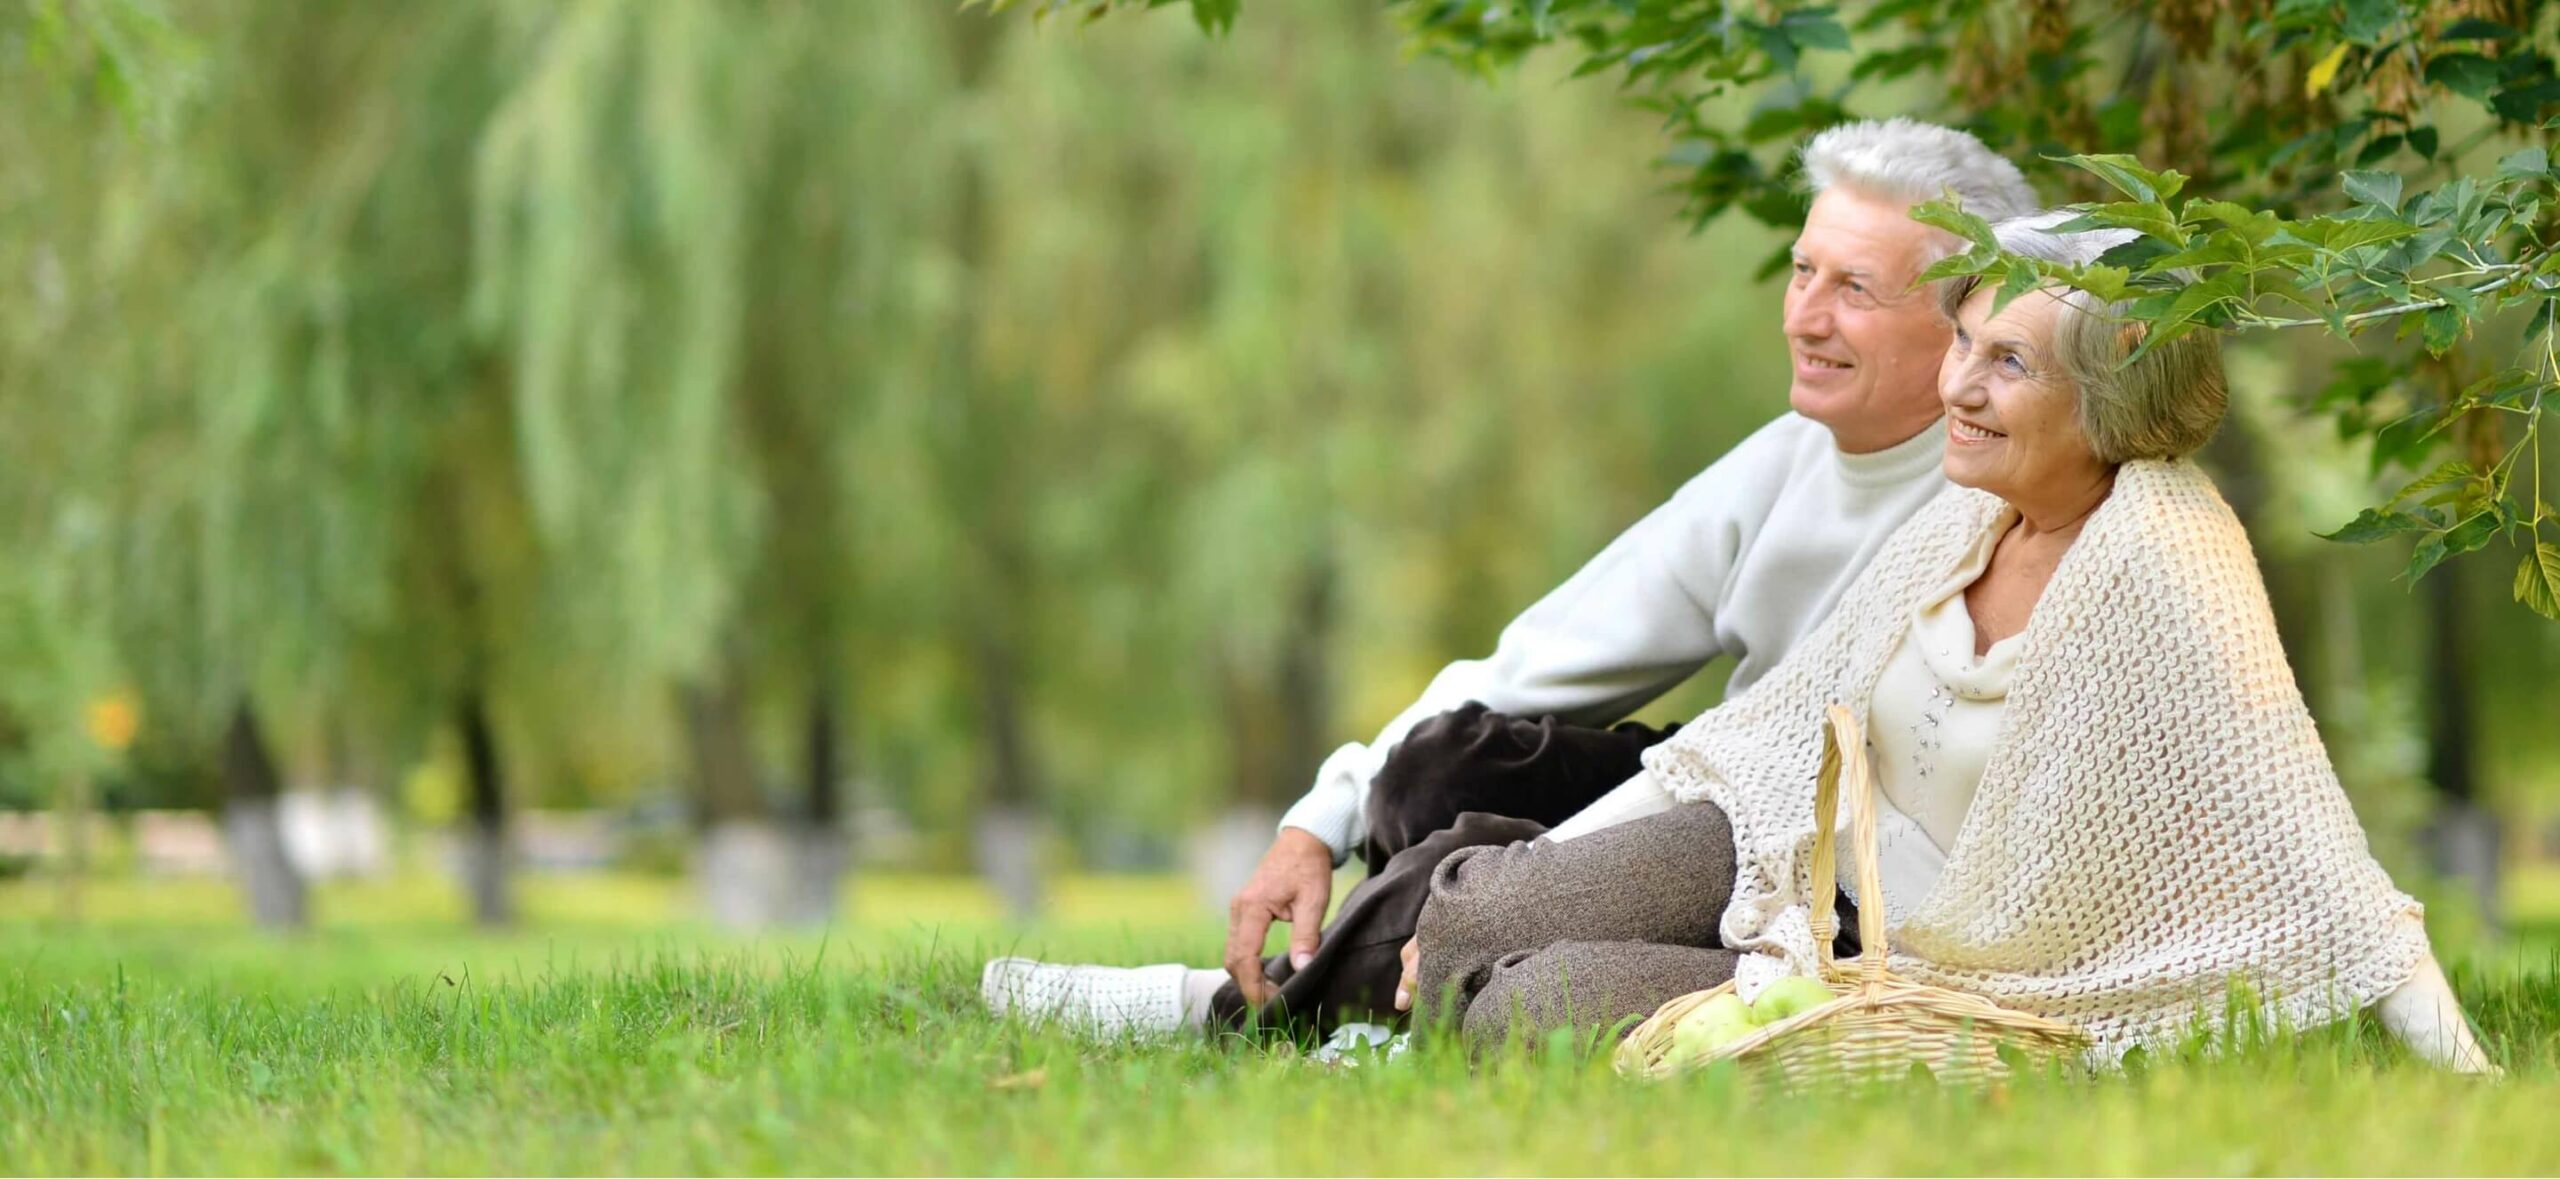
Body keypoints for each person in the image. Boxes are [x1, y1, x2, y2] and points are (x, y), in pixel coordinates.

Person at [981, 118, 2038, 1036]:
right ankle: (1395, 980)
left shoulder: (1991, 494)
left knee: (1494, 900)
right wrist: (1322, 816)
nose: (1804, 316)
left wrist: (1522, 887)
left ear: (1961, 321)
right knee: (1435, 771)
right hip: (1716, 789)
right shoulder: (1788, 457)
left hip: (1825, 858)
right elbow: (1551, 654)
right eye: (1802, 271)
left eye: (1853, 288)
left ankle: (1233, 1009)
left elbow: (1814, 784)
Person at [1401, 214, 2498, 1073]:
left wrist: (2470, 1087)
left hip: (1928, 956)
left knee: (1524, 1006)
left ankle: (1597, 1004)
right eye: (1963, 341)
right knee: (1471, 909)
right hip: (1800, 845)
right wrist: (1543, 873)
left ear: (2110, 395)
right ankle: (1387, 993)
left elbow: (2321, 865)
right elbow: (1759, 732)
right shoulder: (1965, 512)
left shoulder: (2164, 562)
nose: (1958, 388)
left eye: (2008, 364)